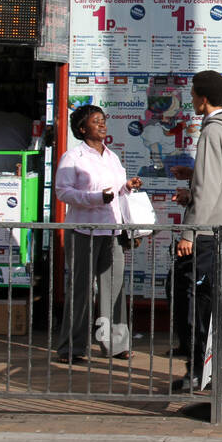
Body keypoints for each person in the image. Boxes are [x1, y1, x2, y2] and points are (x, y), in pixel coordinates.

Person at [172, 70, 222, 391]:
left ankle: (207, 375)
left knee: (203, 305)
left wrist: (189, 233)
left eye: (192, 95)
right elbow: (219, 181)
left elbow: (207, 190)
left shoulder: (212, 131)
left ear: (203, 99)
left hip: (209, 234)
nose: (191, 100)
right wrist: (193, 178)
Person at [54, 104, 141, 361]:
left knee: (113, 289)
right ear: (82, 129)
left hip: (112, 232)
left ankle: (116, 345)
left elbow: (115, 193)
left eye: (103, 120)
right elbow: (63, 192)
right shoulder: (73, 158)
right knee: (81, 290)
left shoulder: (112, 157)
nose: (102, 125)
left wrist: (126, 187)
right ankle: (72, 348)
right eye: (96, 121)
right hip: (83, 232)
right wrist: (95, 198)